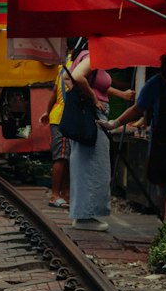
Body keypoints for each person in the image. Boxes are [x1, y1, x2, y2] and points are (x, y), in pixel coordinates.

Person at [103, 54, 166, 221]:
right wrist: (115, 123)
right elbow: (137, 109)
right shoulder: (155, 85)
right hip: (161, 145)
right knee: (161, 189)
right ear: (163, 76)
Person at [66, 52, 133, 231]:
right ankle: (85, 217)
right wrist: (93, 98)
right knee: (94, 166)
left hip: (89, 115)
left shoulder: (82, 55)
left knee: (87, 164)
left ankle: (83, 214)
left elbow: (67, 77)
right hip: (93, 116)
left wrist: (120, 95)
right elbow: (77, 77)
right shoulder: (92, 56)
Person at [39, 65, 70, 208]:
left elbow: (54, 92)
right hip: (62, 118)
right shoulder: (72, 65)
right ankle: (55, 195)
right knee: (61, 157)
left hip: (60, 116)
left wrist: (47, 111)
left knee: (66, 157)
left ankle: (65, 193)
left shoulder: (64, 65)